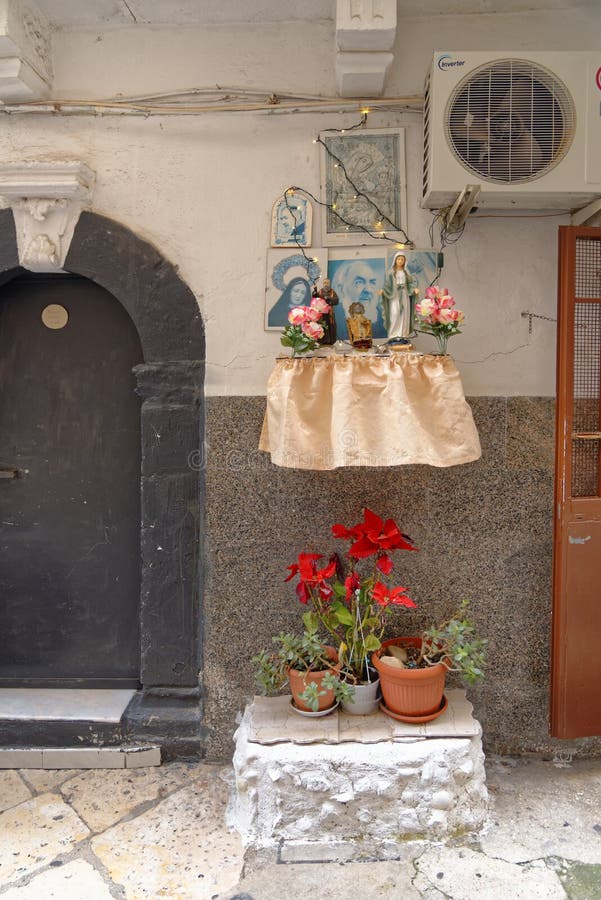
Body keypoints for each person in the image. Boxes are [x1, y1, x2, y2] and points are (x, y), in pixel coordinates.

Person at [331, 260, 385, 340]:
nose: (368, 290)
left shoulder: (382, 320)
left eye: (372, 283)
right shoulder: (333, 319)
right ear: (341, 290)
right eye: (359, 282)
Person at [380, 252, 419, 340]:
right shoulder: (391, 272)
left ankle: (403, 335)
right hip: (394, 296)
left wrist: (414, 289)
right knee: (395, 314)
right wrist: (383, 290)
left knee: (404, 314)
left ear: (405, 261)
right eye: (399, 259)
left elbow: (410, 284)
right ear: (395, 260)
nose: (400, 261)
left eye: (402, 259)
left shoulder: (406, 272)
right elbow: (387, 284)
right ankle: (393, 335)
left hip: (404, 295)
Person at [316, 278, 339, 345]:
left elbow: (336, 300)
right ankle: (321, 341)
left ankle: (330, 341)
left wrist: (329, 298)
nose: (326, 284)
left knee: (330, 326)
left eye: (327, 283)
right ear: (323, 284)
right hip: (321, 314)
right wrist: (314, 293)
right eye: (325, 283)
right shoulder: (320, 292)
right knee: (322, 326)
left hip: (329, 314)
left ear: (330, 283)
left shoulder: (332, 292)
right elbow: (315, 299)